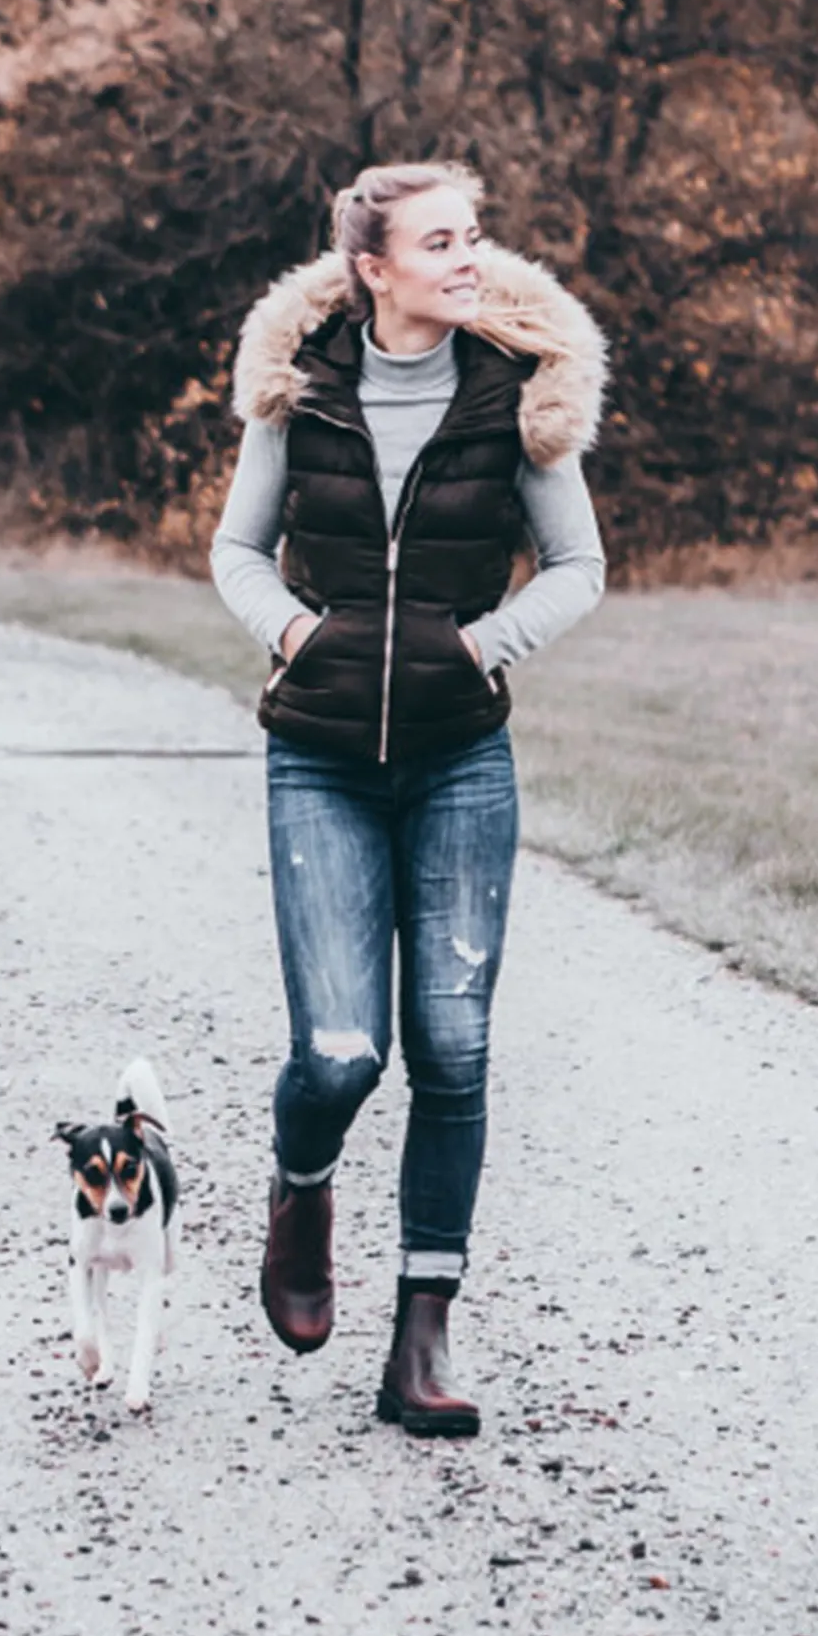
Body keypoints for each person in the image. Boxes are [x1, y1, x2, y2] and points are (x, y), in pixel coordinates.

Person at [210, 161, 607, 1437]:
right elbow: (236, 549)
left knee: (453, 1049)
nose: (467, 258)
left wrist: (480, 647)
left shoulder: (513, 393)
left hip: (459, 764)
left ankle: (420, 1341)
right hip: (318, 758)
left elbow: (578, 564)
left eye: (472, 236)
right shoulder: (299, 387)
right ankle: (301, 1185)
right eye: (439, 242)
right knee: (339, 1052)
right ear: (372, 269)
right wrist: (293, 636)